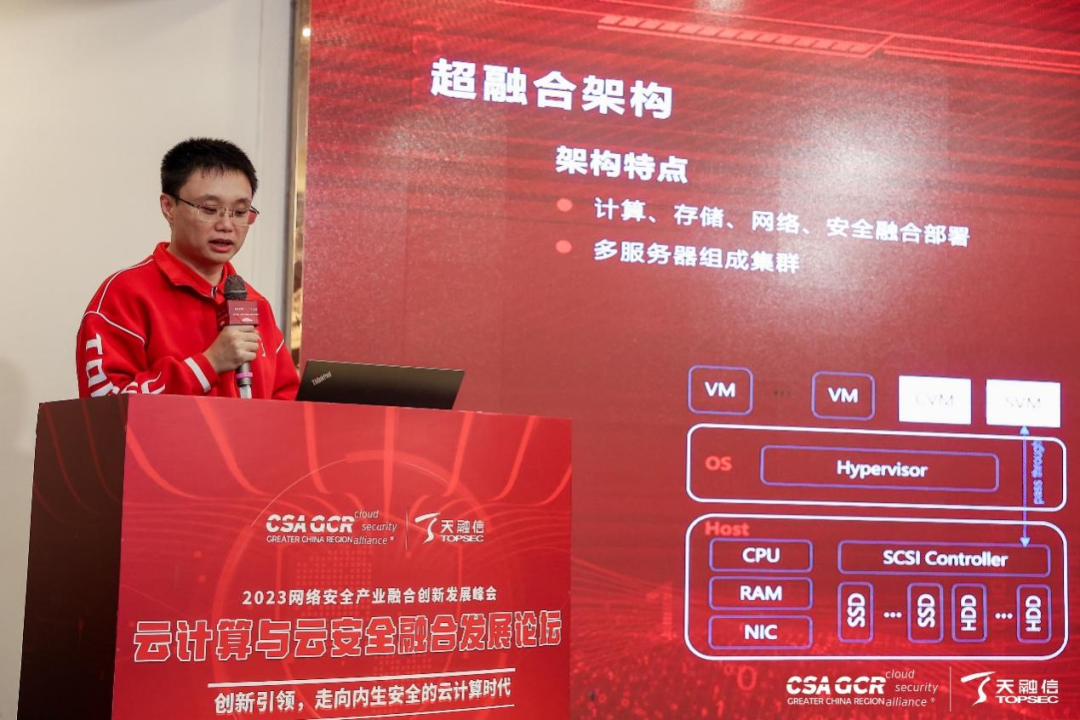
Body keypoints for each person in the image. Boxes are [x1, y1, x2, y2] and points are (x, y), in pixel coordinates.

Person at [76, 138, 299, 399]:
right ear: (169, 207)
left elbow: (287, 403)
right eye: (210, 209)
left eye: (239, 212)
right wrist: (207, 365)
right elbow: (106, 407)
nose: (226, 225)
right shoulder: (125, 294)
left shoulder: (256, 304)